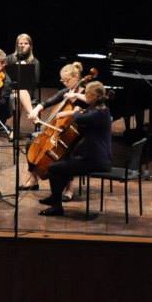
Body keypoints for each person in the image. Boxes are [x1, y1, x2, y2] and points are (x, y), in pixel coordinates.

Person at [39, 81, 112, 217]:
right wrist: (76, 101)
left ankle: (56, 207)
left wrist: (75, 111)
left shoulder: (97, 114)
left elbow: (79, 118)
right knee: (63, 167)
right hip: (94, 158)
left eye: (87, 94)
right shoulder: (101, 109)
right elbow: (84, 111)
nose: (85, 96)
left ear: (93, 96)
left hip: (95, 161)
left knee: (53, 168)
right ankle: (55, 198)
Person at [21, 62, 88, 198]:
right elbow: (49, 101)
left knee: (68, 153)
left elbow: (87, 109)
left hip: (80, 132)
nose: (65, 83)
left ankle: (69, 187)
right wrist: (36, 109)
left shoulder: (86, 92)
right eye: (63, 81)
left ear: (76, 77)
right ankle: (33, 179)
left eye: (67, 80)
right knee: (31, 142)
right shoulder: (67, 91)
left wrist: (72, 105)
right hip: (61, 132)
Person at [8, 33, 41, 120]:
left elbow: (36, 81)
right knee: (17, 94)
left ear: (30, 46)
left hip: (28, 90)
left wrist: (25, 69)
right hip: (11, 89)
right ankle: (34, 117)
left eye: (26, 43)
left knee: (19, 94)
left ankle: (15, 127)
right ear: (17, 45)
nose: (23, 45)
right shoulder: (10, 58)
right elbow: (6, 77)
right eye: (21, 43)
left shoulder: (35, 61)